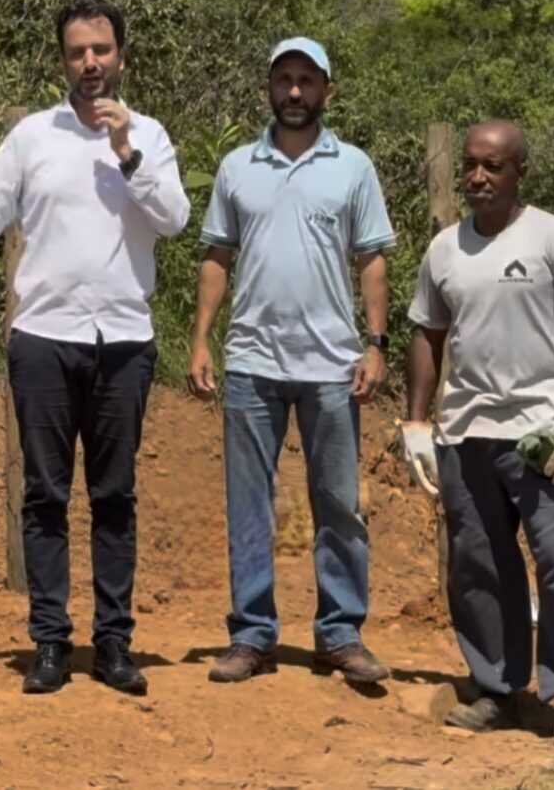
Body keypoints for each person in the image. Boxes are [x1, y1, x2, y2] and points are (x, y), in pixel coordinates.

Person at [0, 0, 190, 696]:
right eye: (77, 52)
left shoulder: (149, 133)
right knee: (44, 495)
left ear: (122, 55)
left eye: (101, 50)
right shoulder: (32, 136)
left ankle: (114, 642)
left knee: (115, 495)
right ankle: (51, 642)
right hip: (45, 338)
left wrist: (127, 155)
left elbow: (174, 218)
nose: (90, 63)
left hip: (122, 339)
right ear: (62, 59)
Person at [188, 37, 395, 685]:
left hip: (333, 363)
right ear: (269, 88)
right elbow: (217, 256)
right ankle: (252, 635)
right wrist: (200, 338)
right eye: (285, 79)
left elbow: (373, 259)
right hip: (252, 360)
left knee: (337, 502)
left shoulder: (354, 167)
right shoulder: (236, 167)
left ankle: (340, 632)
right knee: (250, 503)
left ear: (328, 90)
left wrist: (376, 342)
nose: (296, 91)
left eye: (308, 80)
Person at [402, 120, 554, 743]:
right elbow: (426, 335)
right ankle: (497, 686)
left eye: (493, 166)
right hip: (465, 433)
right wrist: (416, 421)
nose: (477, 177)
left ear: (521, 171)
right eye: (470, 165)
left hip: (541, 434)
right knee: (479, 566)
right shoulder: (444, 249)